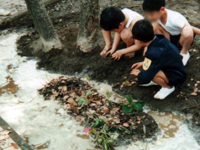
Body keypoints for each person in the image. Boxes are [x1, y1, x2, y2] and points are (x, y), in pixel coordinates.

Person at [130, 20, 187, 100]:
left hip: (177, 76)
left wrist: (139, 75)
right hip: (177, 67)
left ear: (139, 41)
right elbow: (161, 57)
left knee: (153, 75)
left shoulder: (152, 54)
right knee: (151, 69)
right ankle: (162, 80)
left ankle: (168, 87)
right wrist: (144, 62)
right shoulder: (159, 38)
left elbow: (148, 73)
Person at [142, 0, 200, 65]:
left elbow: (191, 28)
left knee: (188, 30)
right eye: (147, 15)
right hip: (170, 36)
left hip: (181, 39)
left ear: (162, 10)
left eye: (151, 14)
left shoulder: (174, 19)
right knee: (154, 25)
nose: (149, 17)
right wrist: (146, 46)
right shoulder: (158, 17)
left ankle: (184, 52)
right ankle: (167, 47)